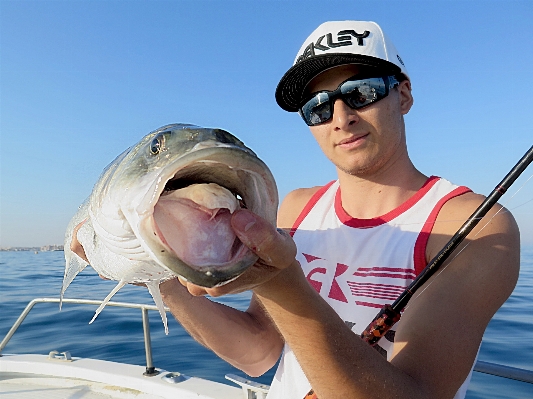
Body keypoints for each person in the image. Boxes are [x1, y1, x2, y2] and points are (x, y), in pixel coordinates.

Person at [73, 20, 520, 399]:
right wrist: (159, 271)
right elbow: (258, 351)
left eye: (361, 91)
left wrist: (286, 286)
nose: (341, 117)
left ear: (402, 94)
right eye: (317, 106)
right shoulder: (300, 208)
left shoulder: (475, 228)